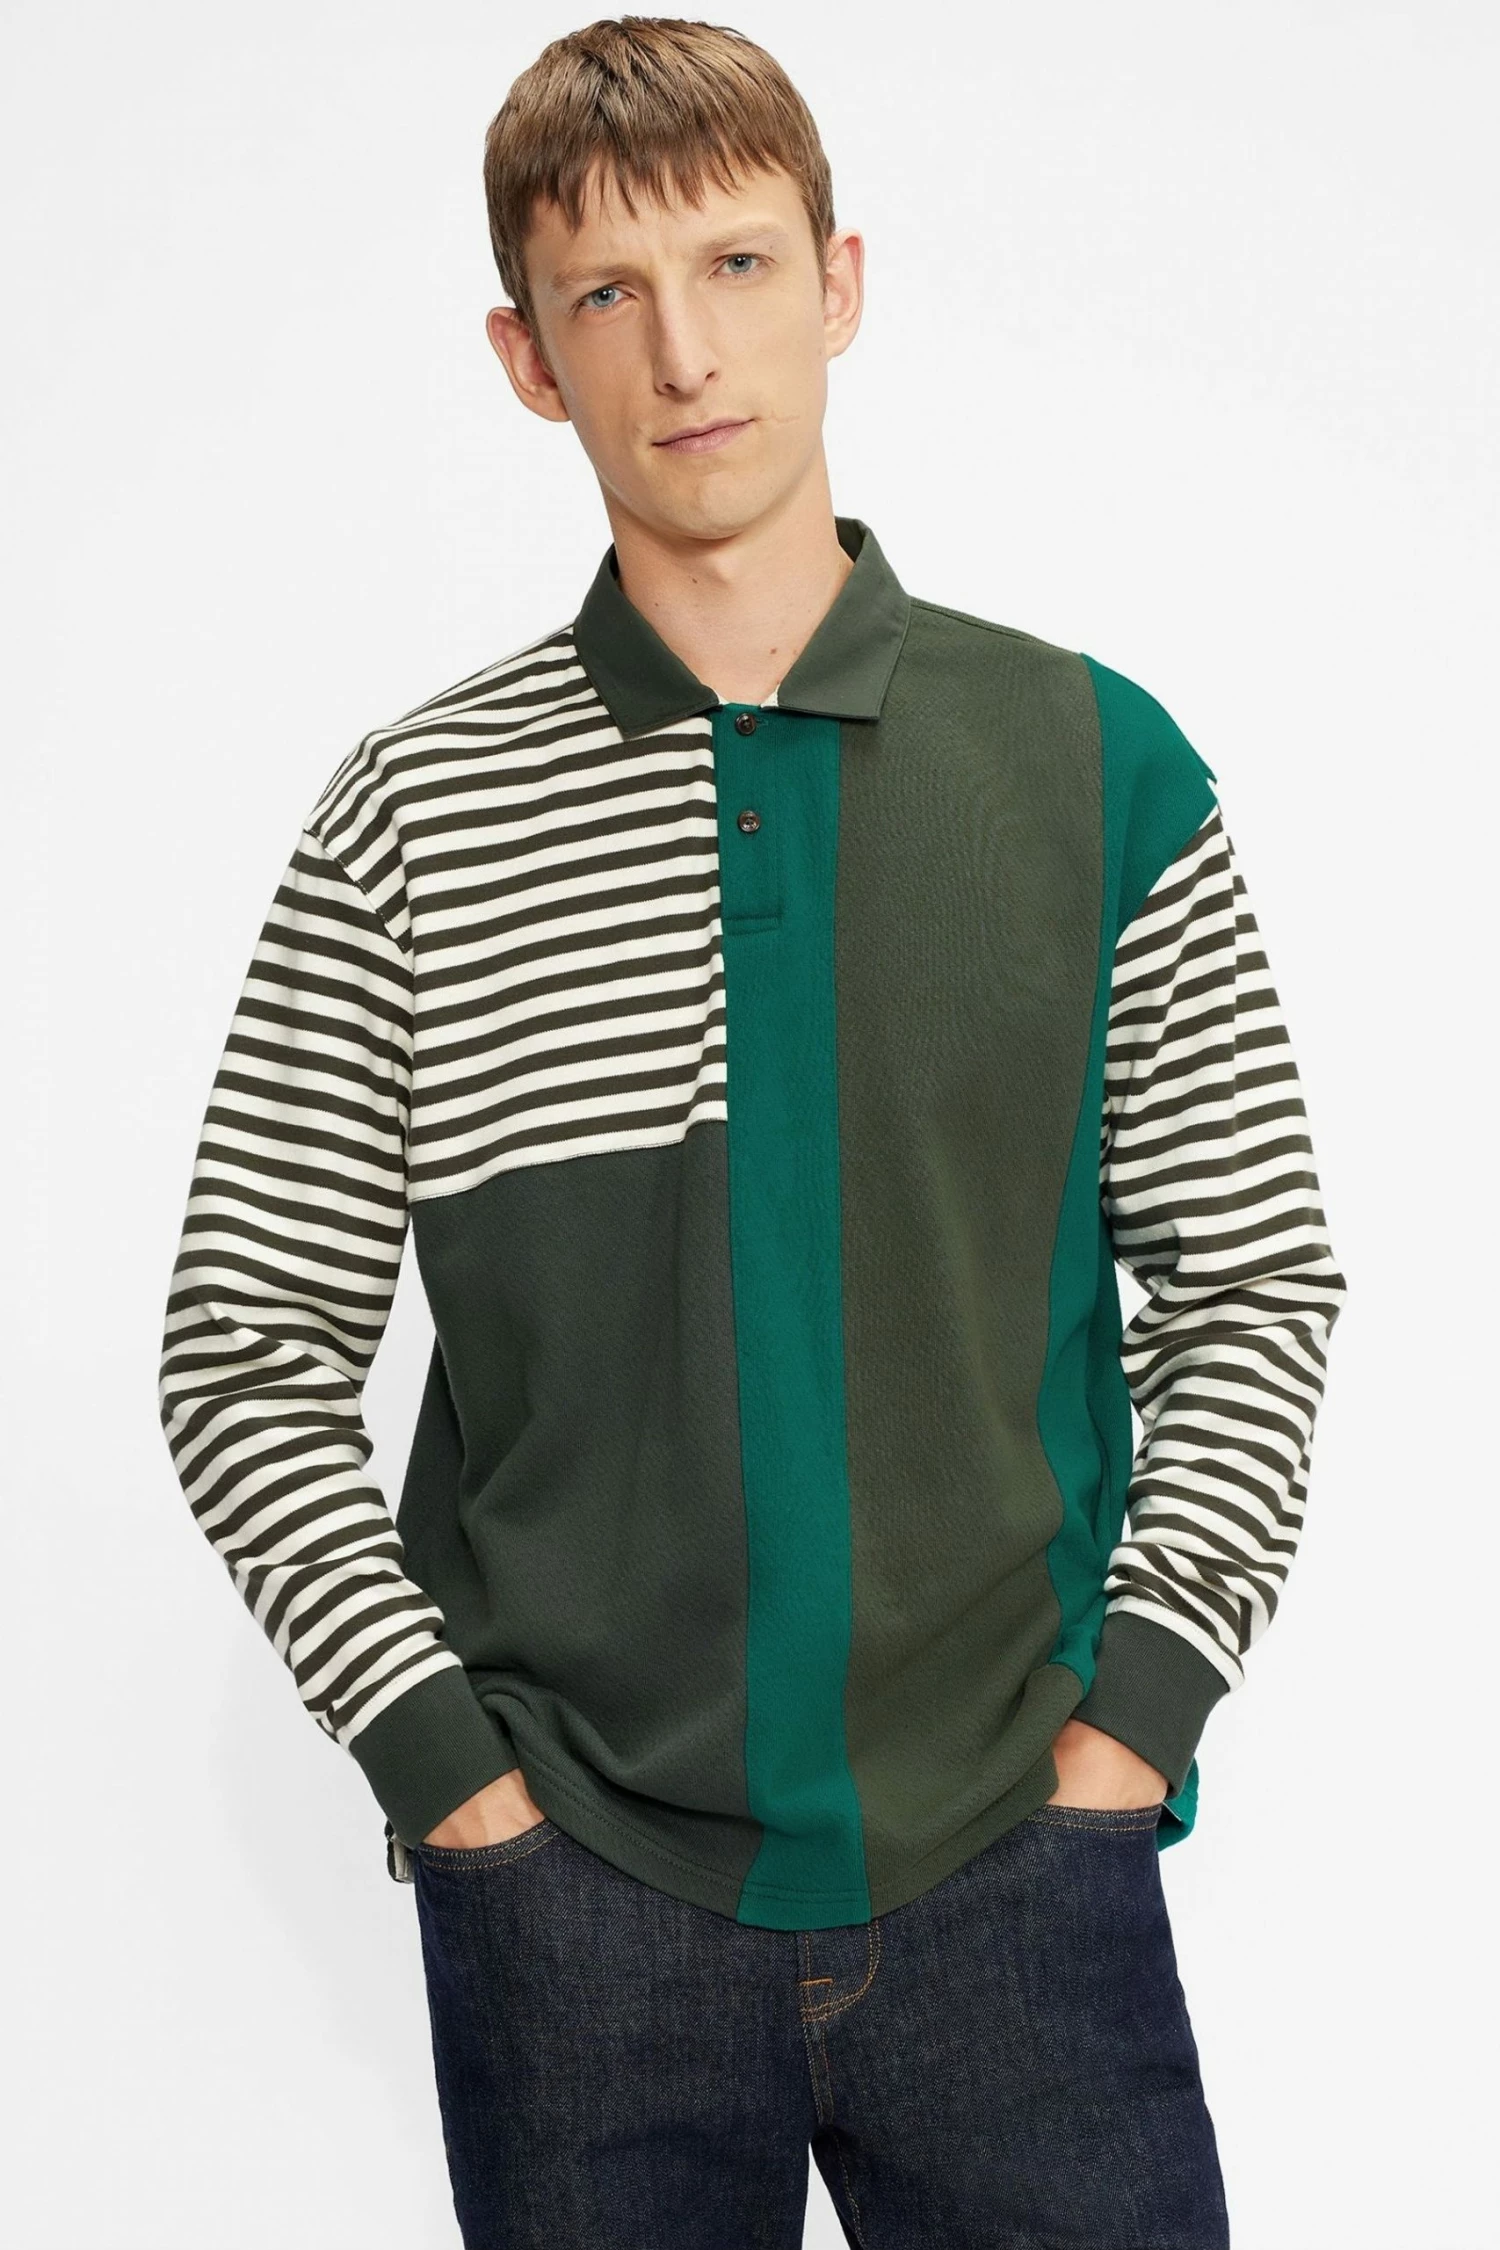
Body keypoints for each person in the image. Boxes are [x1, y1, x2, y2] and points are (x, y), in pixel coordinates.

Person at [157, 17, 1347, 2247]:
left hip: (1021, 1867)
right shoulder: (412, 815)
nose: (685, 351)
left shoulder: (1099, 764)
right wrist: (455, 1782)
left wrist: (1135, 1730)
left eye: (737, 265)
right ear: (527, 359)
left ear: (841, 284)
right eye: (607, 294)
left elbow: (1254, 1280)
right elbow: (244, 1350)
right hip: (577, 1908)